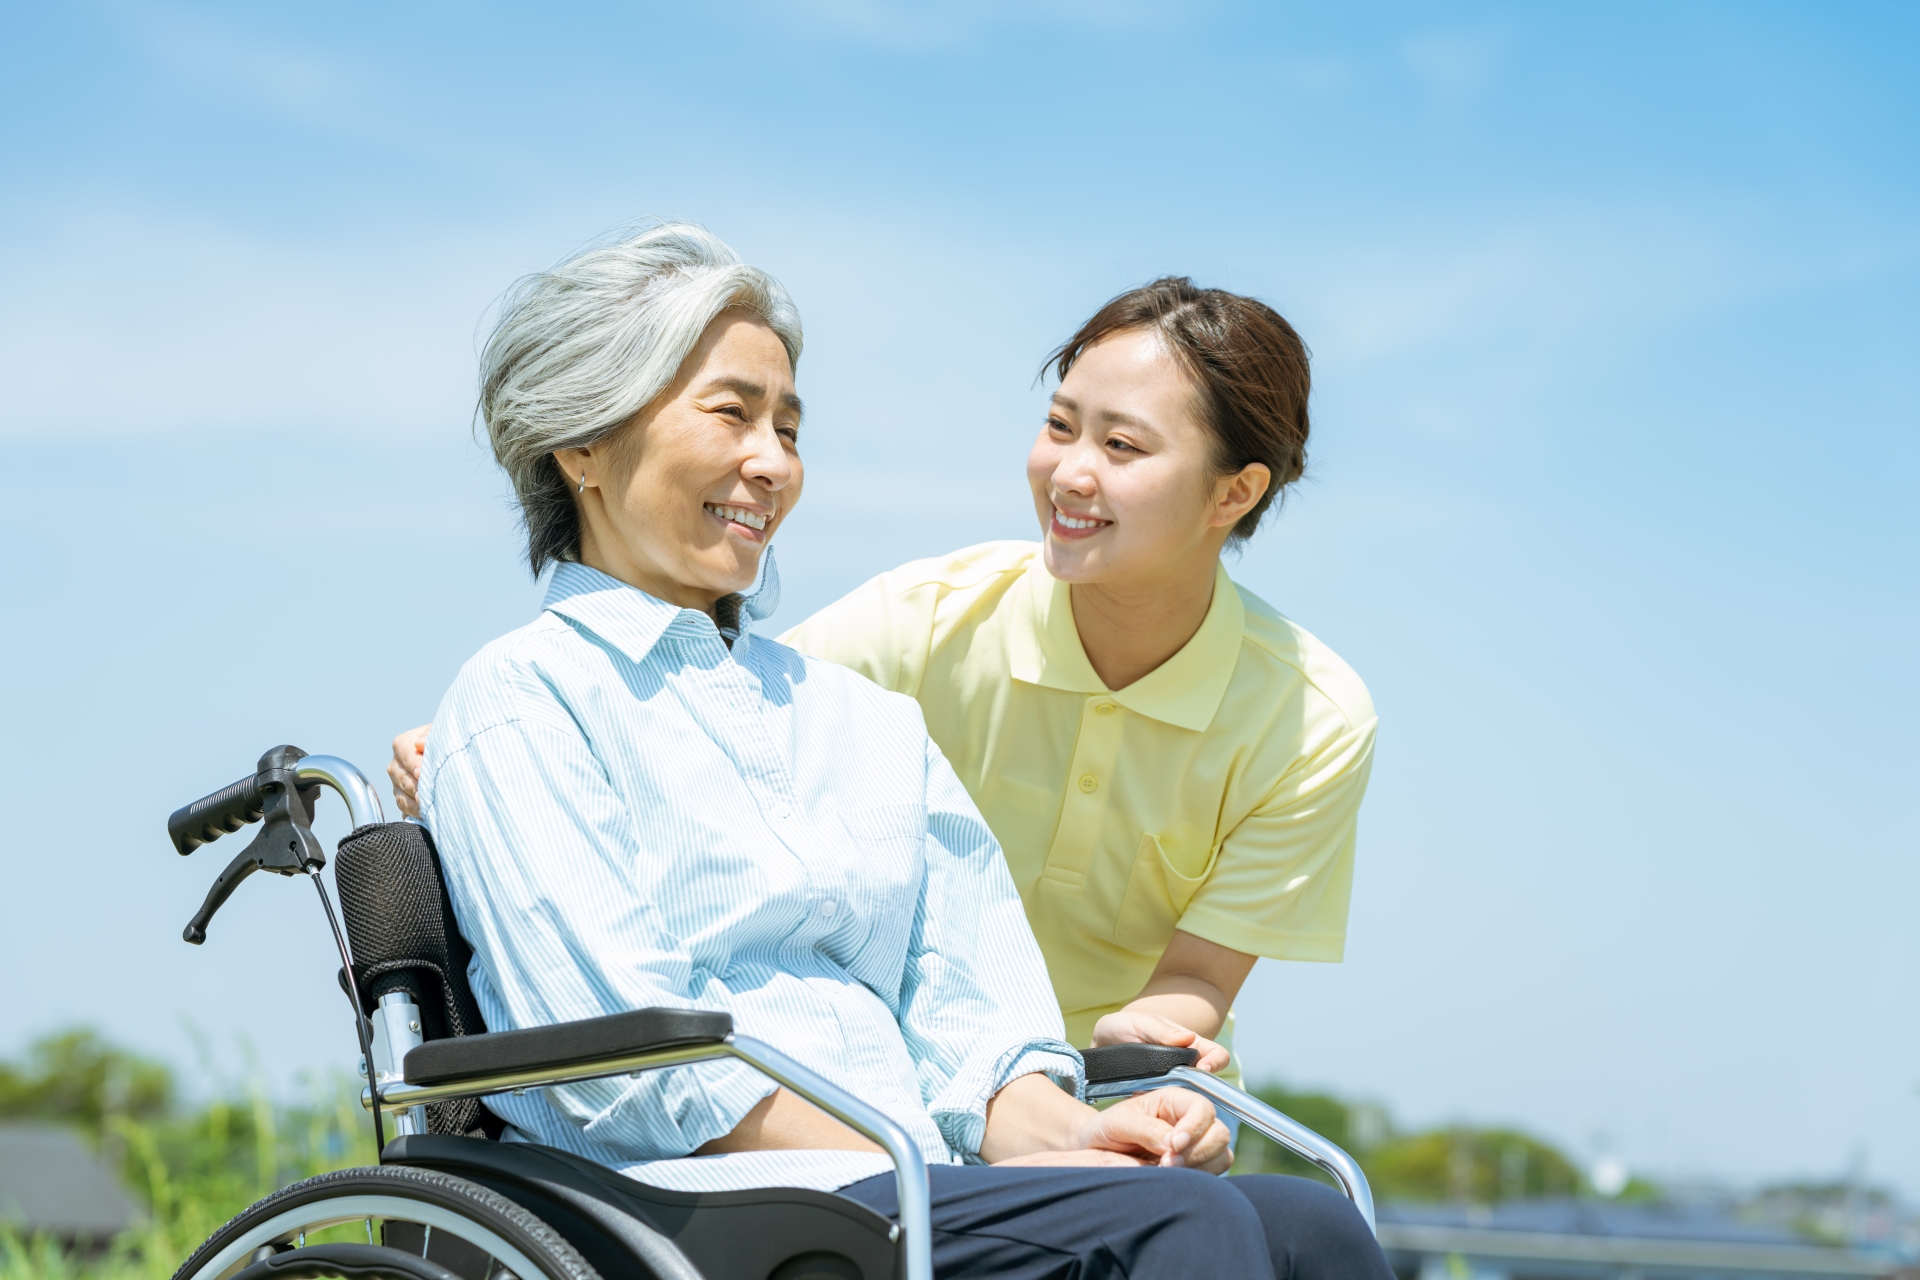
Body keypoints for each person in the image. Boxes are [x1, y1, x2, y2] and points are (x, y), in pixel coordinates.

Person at [418, 221, 1392, 1277]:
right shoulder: (525, 700)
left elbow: (974, 1017)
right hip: (695, 1193)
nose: (772, 461)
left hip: (903, 1177)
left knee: (1311, 1225)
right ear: (584, 443)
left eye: (788, 426)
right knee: (1179, 1229)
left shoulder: (861, 714)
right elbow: (630, 1067)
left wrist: (1072, 1137)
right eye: (734, 413)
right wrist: (918, 1157)